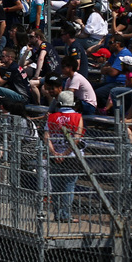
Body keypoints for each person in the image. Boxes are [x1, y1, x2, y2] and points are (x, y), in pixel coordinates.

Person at [45, 90, 83, 223]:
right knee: (69, 186)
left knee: (56, 186)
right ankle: (66, 215)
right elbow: (77, 138)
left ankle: (57, 214)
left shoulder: (51, 117)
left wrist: (55, 153)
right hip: (71, 156)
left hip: (54, 156)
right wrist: (65, 154)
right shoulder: (77, 117)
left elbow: (46, 137)